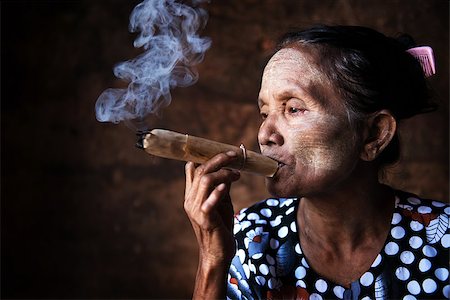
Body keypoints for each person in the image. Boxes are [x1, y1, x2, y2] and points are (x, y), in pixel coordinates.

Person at [183, 25, 449, 300]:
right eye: (265, 113)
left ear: (374, 134)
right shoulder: (251, 236)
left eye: (293, 109)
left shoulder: (444, 241)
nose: (265, 135)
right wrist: (213, 259)